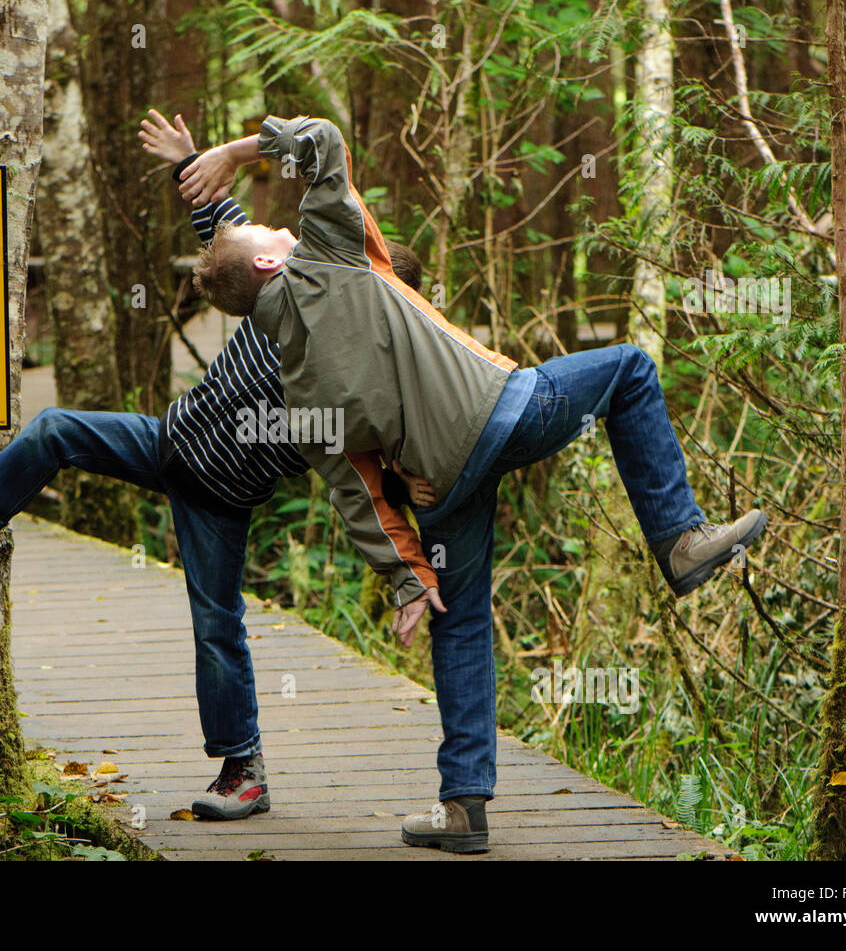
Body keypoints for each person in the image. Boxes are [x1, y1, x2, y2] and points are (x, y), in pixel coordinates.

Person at [183, 113, 768, 853]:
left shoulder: (299, 397)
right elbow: (322, 138)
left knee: (456, 621)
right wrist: (239, 152)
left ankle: (464, 808)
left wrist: (405, 577)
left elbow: (356, 493)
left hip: (442, 485)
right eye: (272, 236)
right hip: (505, 415)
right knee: (629, 370)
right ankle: (678, 538)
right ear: (272, 267)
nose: (282, 232)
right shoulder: (327, 257)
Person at [0, 109, 432, 820]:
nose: (292, 239)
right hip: (166, 441)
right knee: (53, 428)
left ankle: (245, 770)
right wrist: (190, 158)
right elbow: (226, 224)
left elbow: (367, 451)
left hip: (220, 500)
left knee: (216, 623)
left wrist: (408, 485)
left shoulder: (351, 365)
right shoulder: (277, 286)